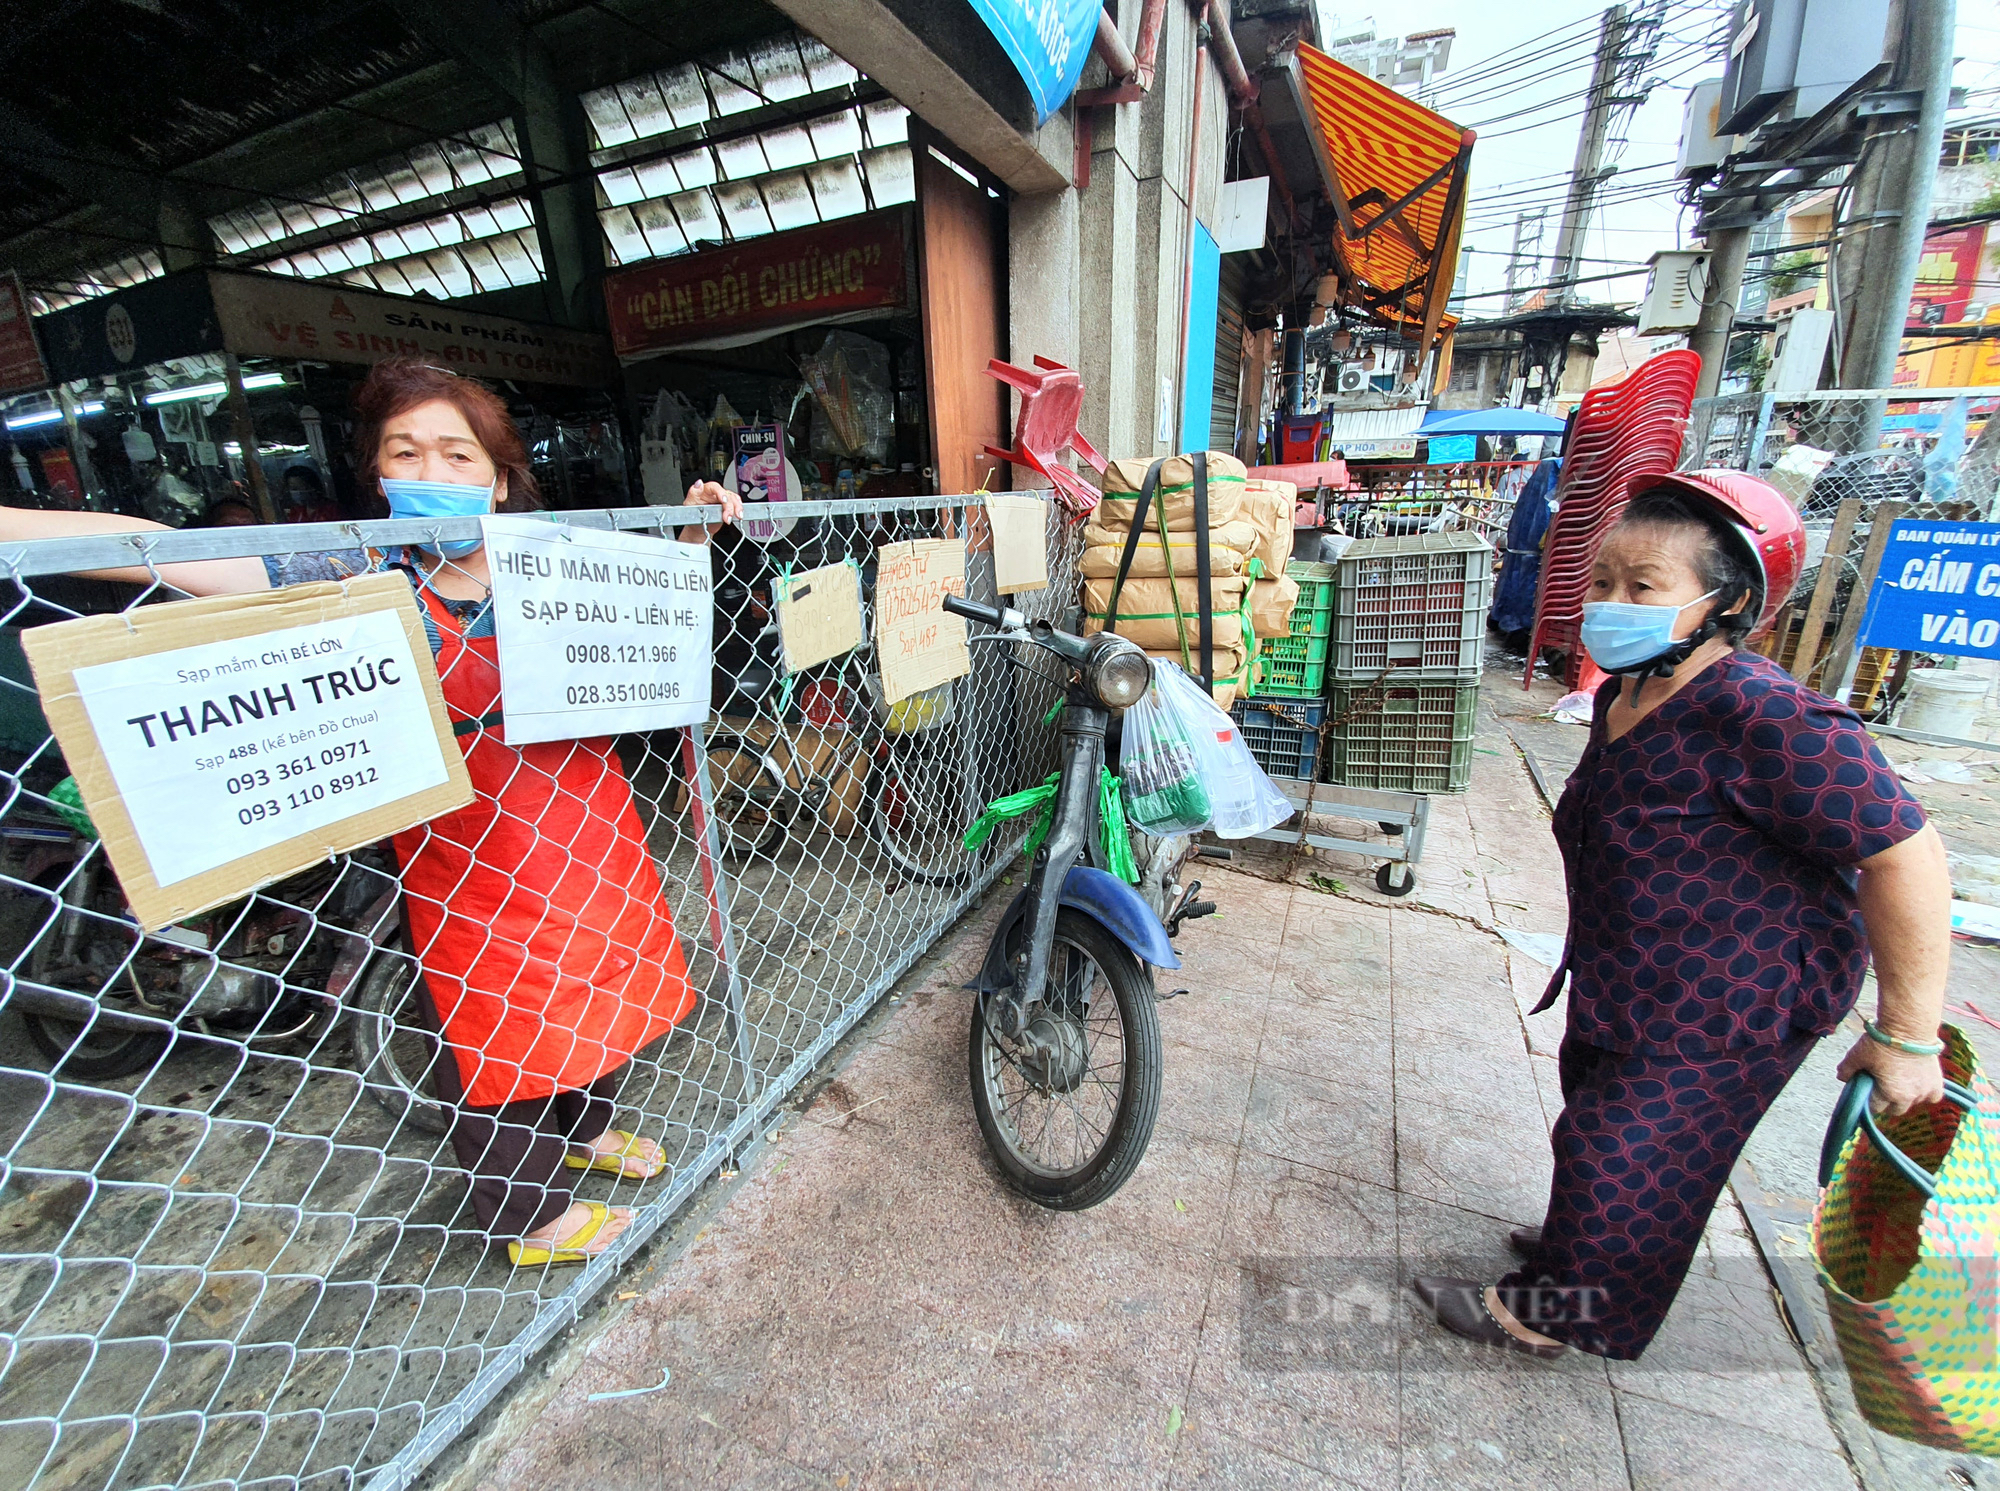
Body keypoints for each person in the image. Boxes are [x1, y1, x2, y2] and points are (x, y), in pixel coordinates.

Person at [0, 358, 742, 1267]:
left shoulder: (556, 552)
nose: (432, 475)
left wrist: (699, 532)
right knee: (496, 1014)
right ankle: (529, 1215)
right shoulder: (355, 566)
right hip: (467, 841)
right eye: (407, 454)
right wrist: (22, 531)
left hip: (588, 818)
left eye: (457, 454)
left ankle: (587, 1129)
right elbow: (164, 544)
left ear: (500, 478)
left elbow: (654, 612)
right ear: (379, 479)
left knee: (602, 973)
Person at [1413, 470, 1953, 1360]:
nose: (1610, 603)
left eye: (1643, 587)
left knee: (1629, 1154)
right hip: (1635, 972)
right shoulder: (1627, 693)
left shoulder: (1767, 714)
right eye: (1600, 582)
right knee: (1591, 1118)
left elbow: (1906, 851)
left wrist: (1908, 1033)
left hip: (1732, 998)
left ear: (1725, 602)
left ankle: (1555, 1317)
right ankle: (1575, 1252)